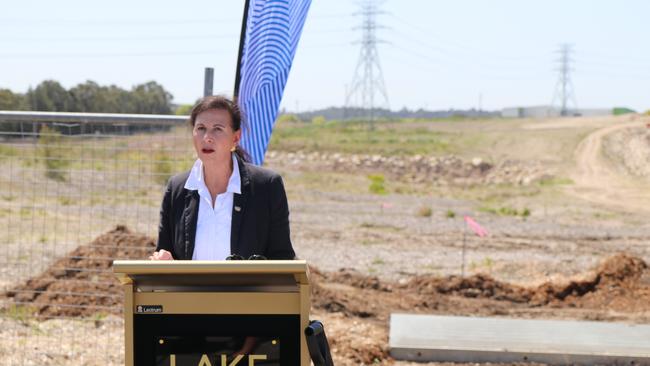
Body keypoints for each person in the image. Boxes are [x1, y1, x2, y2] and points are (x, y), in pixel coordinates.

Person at [150, 95, 295, 261]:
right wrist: (163, 260)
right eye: (201, 128)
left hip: (247, 288)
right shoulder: (177, 188)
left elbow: (282, 258)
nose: (207, 137)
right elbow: (165, 252)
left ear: (236, 138)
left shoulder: (266, 186)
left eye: (217, 129)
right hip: (189, 288)